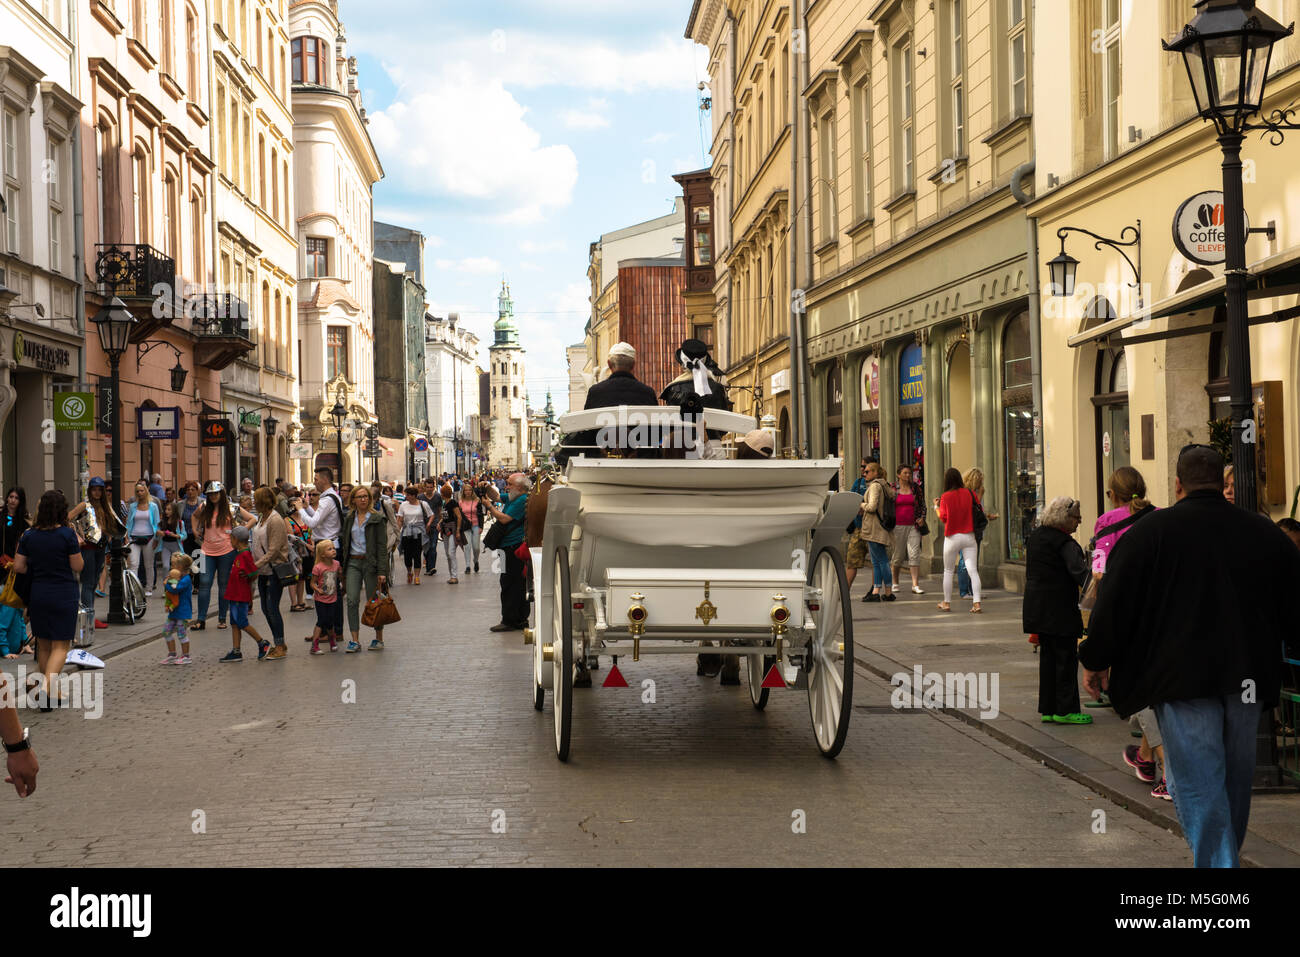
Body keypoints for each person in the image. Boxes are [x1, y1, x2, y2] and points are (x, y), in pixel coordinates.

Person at [1081, 445, 1300, 867]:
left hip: (1182, 679)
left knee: (1200, 783)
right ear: (1222, 483)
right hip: (1247, 681)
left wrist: (1095, 658)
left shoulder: (1150, 533)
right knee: (1233, 782)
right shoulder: (1262, 531)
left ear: (1177, 484)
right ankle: (1223, 861)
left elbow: (1114, 604)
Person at [1023, 496, 1092, 726]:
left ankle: (1049, 708)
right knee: (1065, 659)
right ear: (1065, 518)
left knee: (1049, 658)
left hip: (1038, 607)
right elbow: (1081, 574)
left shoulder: (1036, 537)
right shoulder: (1065, 544)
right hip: (1060, 608)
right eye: (1076, 518)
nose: (1079, 522)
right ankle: (1066, 710)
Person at [13, 490, 83, 708]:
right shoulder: (67, 534)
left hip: (38, 594)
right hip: (63, 593)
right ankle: (45, 688)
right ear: (61, 510)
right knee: (61, 646)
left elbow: (18, 567)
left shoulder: (28, 535)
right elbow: (77, 566)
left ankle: (50, 693)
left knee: (43, 645)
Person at [190, 481, 255, 631]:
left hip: (227, 551)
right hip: (206, 550)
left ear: (221, 493)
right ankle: (201, 619)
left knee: (223, 584)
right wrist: (194, 530)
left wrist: (241, 531)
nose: (213, 496)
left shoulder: (232, 508)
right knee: (204, 583)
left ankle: (221, 618)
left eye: (216, 493)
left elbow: (252, 519)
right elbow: (194, 516)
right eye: (210, 493)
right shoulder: (204, 507)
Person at [339, 485, 390, 652]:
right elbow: (346, 543)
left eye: (365, 496)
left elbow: (382, 547)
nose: (363, 499)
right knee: (352, 600)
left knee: (374, 601)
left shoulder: (377, 518)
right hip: (353, 562)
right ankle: (355, 640)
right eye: (359, 497)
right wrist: (342, 567)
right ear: (353, 500)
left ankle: (378, 638)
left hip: (371, 564)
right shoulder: (349, 518)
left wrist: (383, 572)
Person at [68, 477, 121, 630]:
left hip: (101, 548)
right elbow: (68, 518)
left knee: (93, 583)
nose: (97, 492)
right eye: (94, 489)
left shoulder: (105, 506)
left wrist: (110, 533)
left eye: (99, 489)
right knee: (88, 583)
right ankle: (88, 618)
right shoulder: (84, 505)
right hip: (88, 548)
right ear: (90, 490)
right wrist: (77, 533)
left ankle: (90, 615)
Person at [484, 473, 529, 633]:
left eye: (509, 484)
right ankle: (519, 619)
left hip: (512, 548)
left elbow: (504, 519)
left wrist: (489, 507)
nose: (506, 486)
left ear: (519, 487)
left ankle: (509, 620)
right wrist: (486, 487)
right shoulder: (513, 496)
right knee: (514, 583)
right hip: (506, 547)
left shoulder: (522, 500)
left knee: (508, 583)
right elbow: (496, 496)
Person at [218, 526, 271, 662]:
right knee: (235, 623)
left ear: (235, 539)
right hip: (234, 594)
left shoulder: (245, 555)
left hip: (240, 595)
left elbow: (253, 572)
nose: (230, 541)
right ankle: (236, 651)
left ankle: (262, 643)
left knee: (242, 622)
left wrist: (247, 575)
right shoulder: (240, 554)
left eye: (230, 539)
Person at [249, 486, 290, 660]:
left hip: (274, 569)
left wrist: (256, 565)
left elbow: (274, 550)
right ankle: (278, 643)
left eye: (255, 499)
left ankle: (280, 645)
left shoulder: (275, 520)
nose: (253, 502)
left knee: (272, 608)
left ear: (262, 501)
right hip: (263, 570)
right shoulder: (261, 518)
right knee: (266, 609)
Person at [935, 467, 982, 613]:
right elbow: (979, 508)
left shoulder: (945, 497)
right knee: (973, 571)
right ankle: (976, 603)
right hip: (969, 536)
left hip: (952, 537)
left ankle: (946, 603)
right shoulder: (970, 493)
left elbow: (943, 518)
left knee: (948, 571)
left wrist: (936, 506)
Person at [858, 462, 897, 602]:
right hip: (881, 527)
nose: (864, 473)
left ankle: (887, 592)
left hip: (875, 528)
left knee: (882, 561)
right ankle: (876, 590)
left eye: (867, 471)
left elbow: (872, 506)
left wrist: (860, 503)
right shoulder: (885, 485)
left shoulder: (875, 486)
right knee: (877, 561)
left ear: (875, 473)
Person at [956, 468, 996, 599]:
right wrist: (980, 496)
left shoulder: (972, 493)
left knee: (973, 561)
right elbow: (970, 509)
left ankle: (973, 590)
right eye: (980, 480)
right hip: (966, 531)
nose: (982, 483)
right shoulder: (966, 493)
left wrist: (987, 516)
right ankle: (964, 591)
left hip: (975, 531)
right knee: (964, 562)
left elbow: (977, 512)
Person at [891, 464, 927, 595]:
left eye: (909, 473)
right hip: (897, 526)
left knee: (914, 554)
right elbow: (888, 506)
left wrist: (922, 517)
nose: (908, 475)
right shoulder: (893, 488)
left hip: (914, 526)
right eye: (905, 473)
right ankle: (895, 582)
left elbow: (923, 505)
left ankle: (915, 584)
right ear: (898, 475)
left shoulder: (915, 488)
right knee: (898, 556)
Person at [308, 539, 342, 655]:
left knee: (330, 622)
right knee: (321, 621)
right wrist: (318, 590)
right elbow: (312, 583)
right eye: (329, 549)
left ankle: (332, 642)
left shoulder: (337, 564)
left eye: (333, 548)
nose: (333, 550)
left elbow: (340, 576)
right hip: (320, 600)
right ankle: (314, 645)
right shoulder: (318, 567)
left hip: (333, 599)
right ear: (322, 554)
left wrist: (343, 585)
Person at [159, 553, 194, 664]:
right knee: (166, 632)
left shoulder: (186, 579)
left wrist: (166, 584)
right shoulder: (176, 577)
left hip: (183, 612)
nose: (171, 568)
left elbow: (175, 590)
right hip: (174, 611)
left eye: (173, 565)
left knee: (181, 634)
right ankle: (172, 654)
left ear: (180, 567)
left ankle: (186, 656)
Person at [843, 460, 871, 593]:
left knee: (876, 562)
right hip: (858, 528)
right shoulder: (858, 482)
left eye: (866, 467)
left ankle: (874, 591)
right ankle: (845, 591)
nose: (863, 470)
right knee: (852, 559)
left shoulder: (880, 484)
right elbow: (851, 499)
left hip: (873, 529)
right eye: (862, 467)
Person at [398, 490, 434, 584]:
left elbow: (431, 515)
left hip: (419, 531)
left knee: (417, 554)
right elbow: (400, 520)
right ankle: (409, 572)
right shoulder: (403, 505)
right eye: (406, 495)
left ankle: (417, 577)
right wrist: (398, 531)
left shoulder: (423, 504)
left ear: (414, 496)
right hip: (407, 532)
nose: (407, 497)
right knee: (407, 556)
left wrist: (428, 524)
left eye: (409, 495)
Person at [438, 483, 464, 584]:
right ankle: (451, 575)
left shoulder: (453, 503)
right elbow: (444, 517)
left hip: (453, 530)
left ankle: (454, 576)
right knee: (447, 554)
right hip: (445, 530)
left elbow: (459, 516)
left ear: (443, 494)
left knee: (451, 552)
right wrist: (439, 523)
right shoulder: (444, 504)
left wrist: (457, 531)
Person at [458, 483, 485, 573]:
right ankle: (468, 566)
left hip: (476, 525)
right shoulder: (460, 502)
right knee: (467, 546)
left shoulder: (477, 500)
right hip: (465, 527)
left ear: (472, 491)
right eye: (466, 490)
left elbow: (481, 514)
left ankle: (476, 561)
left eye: (469, 490)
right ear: (463, 492)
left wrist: (481, 527)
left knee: (476, 547)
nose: (468, 492)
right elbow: (459, 515)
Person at [157, 499, 184, 582]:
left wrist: (175, 535)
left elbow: (184, 534)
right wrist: (159, 532)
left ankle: (176, 584)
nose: (166, 511)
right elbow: (156, 531)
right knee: (165, 566)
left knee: (176, 567)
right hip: (165, 546)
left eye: (169, 510)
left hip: (176, 546)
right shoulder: (162, 522)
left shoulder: (179, 522)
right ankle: (166, 587)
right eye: (165, 509)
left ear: (174, 511)